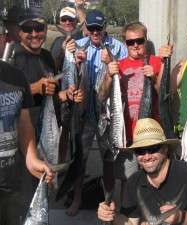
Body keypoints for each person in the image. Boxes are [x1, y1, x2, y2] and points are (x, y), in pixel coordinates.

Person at [63, 9, 128, 216]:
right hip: (83, 116)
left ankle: (109, 200)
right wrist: (76, 62)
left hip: (106, 116)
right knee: (79, 158)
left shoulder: (119, 48)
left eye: (98, 28)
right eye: (91, 28)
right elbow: (67, 79)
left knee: (108, 160)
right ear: (86, 28)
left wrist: (111, 64)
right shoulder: (78, 47)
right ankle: (78, 197)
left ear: (105, 26)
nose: (95, 32)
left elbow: (124, 81)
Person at [97, 118, 187, 225]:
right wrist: (111, 216)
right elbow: (132, 222)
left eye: (153, 149)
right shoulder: (134, 181)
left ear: (165, 149)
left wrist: (181, 217)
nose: (147, 156)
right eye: (140, 151)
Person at [0, 16, 54, 225]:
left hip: (14, 180)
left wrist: (31, 157)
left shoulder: (16, 77)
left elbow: (23, 122)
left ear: (4, 38)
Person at [101, 21, 170, 144]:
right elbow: (102, 96)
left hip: (151, 135)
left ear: (145, 39)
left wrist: (154, 78)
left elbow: (165, 97)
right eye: (130, 42)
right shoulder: (118, 65)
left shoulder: (158, 62)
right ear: (125, 43)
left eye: (139, 41)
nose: (135, 45)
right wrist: (109, 76)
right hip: (124, 135)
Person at [50, 6, 83, 72]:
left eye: (70, 20)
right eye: (64, 20)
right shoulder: (56, 41)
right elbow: (52, 67)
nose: (67, 22)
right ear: (60, 22)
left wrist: (80, 8)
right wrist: (62, 51)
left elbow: (86, 27)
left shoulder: (82, 39)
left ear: (76, 21)